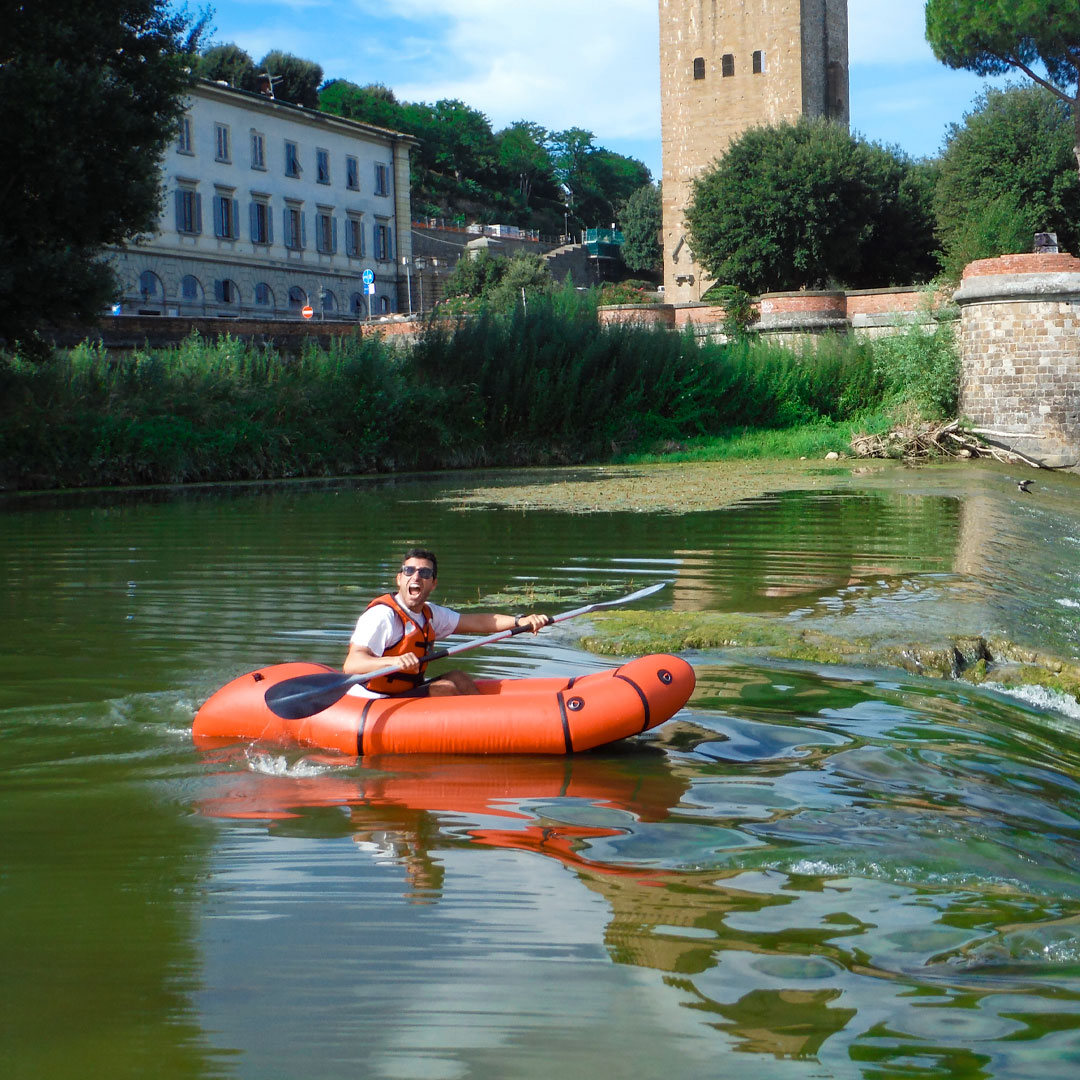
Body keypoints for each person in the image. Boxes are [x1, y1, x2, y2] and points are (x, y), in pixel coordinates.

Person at [343, 548, 551, 697]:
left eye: (424, 573)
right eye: (409, 571)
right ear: (399, 579)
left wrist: (520, 621)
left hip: (406, 691)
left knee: (458, 678)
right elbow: (353, 664)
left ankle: (490, 722)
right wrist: (393, 661)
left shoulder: (430, 614)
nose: (415, 577)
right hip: (373, 697)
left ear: (433, 584)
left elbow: (478, 622)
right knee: (445, 688)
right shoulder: (382, 616)